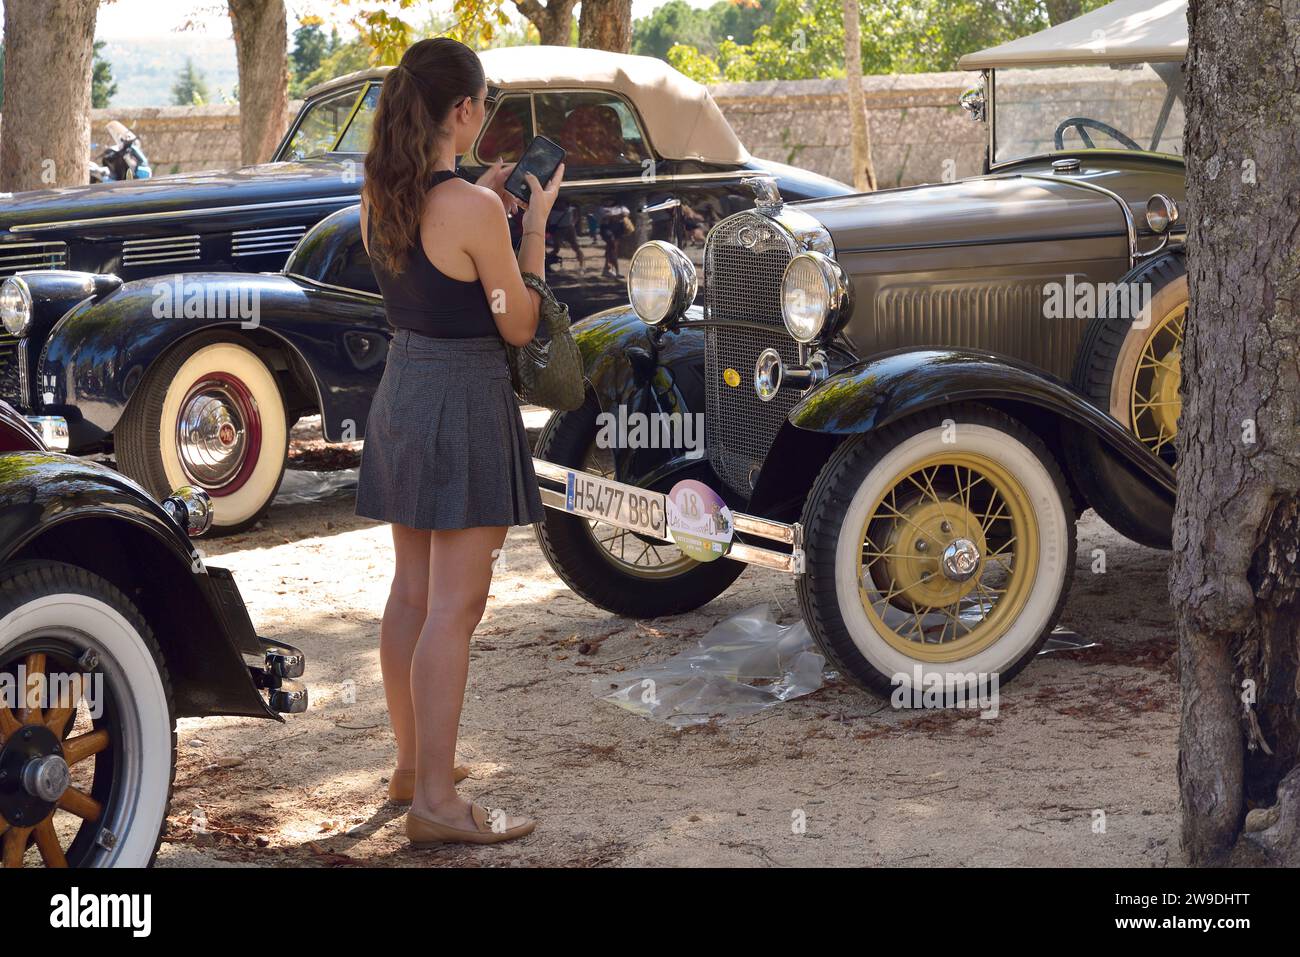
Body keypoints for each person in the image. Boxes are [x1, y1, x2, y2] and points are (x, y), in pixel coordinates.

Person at [354, 36, 564, 847]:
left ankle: (412, 767)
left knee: (412, 591)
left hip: (404, 389)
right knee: (456, 606)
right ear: (467, 111)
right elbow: (518, 321)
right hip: (465, 396)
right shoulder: (476, 213)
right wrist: (531, 227)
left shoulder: (380, 191)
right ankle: (436, 803)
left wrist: (481, 199)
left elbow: (431, 268)